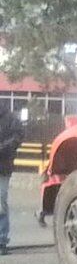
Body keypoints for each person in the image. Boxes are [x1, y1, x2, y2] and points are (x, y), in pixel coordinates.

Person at [0, 106, 24, 255]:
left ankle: (1, 240)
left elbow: (18, 137)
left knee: (0, 202)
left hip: (3, 166)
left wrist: (3, 148)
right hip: (4, 165)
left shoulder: (10, 118)